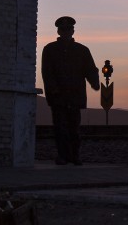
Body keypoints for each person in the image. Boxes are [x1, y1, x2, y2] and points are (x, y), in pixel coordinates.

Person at [41, 16, 100, 165]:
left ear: (72, 31)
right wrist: (53, 90)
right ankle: (63, 156)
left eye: (69, 29)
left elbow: (90, 69)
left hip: (75, 96)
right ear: (59, 31)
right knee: (60, 128)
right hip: (58, 97)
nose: (66, 32)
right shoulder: (50, 49)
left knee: (74, 129)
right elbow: (47, 73)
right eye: (64, 29)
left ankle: (74, 156)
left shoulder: (82, 50)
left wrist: (95, 83)